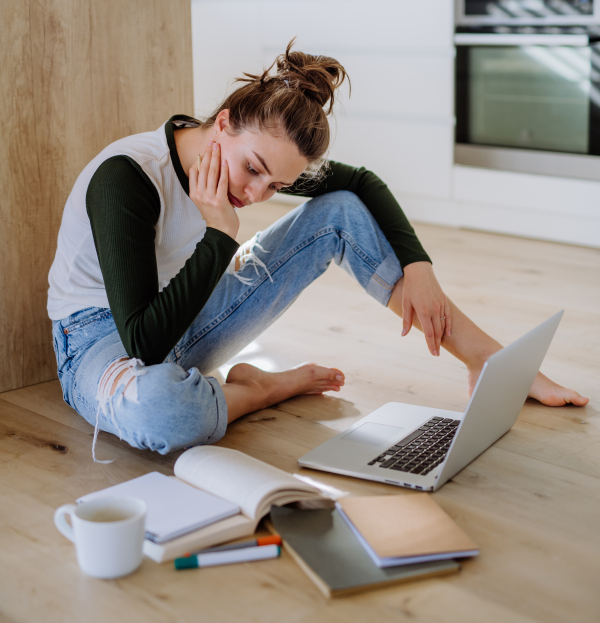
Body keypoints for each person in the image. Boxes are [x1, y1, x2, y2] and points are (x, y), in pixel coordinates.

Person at [48, 42, 588, 459]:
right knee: (164, 415)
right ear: (224, 123)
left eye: (276, 186)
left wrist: (419, 265)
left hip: (186, 311)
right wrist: (219, 235)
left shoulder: (255, 162)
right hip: (102, 340)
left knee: (342, 209)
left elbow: (361, 182)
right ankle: (256, 392)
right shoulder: (127, 179)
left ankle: (488, 362)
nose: (257, 194)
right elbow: (143, 343)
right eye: (254, 170)